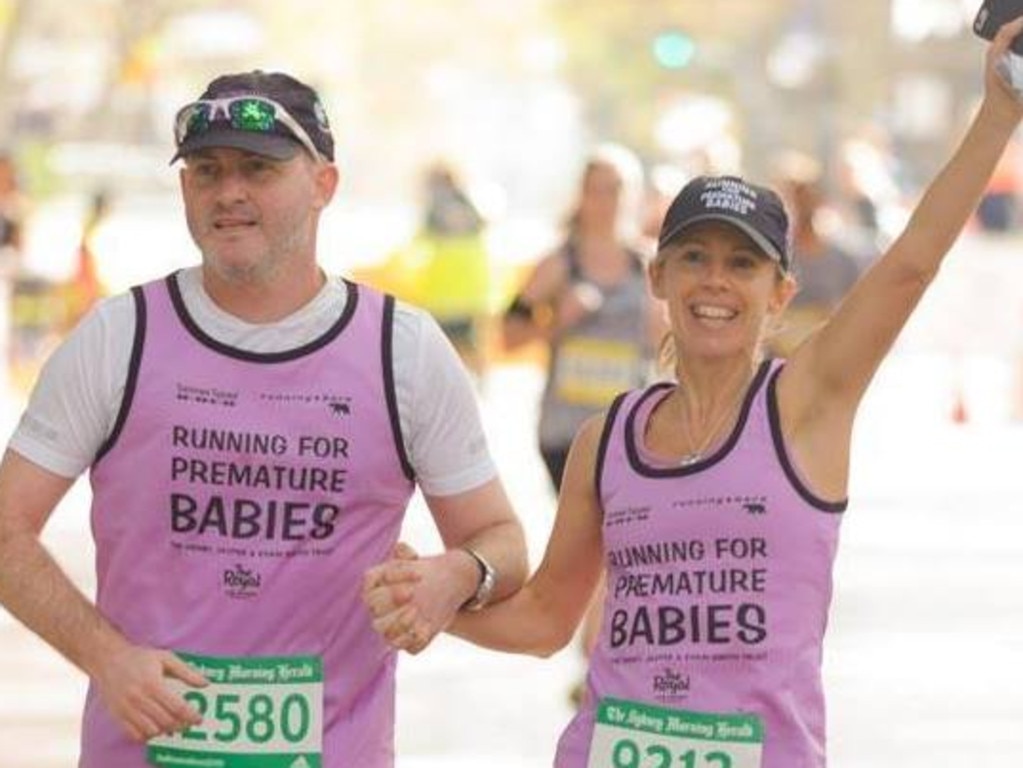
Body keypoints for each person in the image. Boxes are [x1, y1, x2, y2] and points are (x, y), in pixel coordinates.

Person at [364, 18, 1023, 768]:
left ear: (778, 293)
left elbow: (909, 264)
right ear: (659, 278)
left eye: (742, 265)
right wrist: (428, 607)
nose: (714, 281)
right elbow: (548, 618)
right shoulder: (605, 440)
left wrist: (997, 113)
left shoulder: (806, 406)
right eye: (694, 257)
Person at [0, 70, 527, 768]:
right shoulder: (118, 336)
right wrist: (108, 660)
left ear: (324, 184)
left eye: (259, 168)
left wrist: (456, 576)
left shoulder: (400, 347)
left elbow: (504, 543)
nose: (229, 193)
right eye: (206, 170)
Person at [501, 143, 666, 493]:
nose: (607, 201)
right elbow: (508, 336)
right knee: (582, 540)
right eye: (597, 190)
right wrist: (557, 320)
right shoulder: (559, 264)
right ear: (582, 196)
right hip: (567, 434)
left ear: (634, 195)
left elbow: (671, 347)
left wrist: (664, 329)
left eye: (616, 189)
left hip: (630, 433)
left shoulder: (650, 265)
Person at [768, 151, 868, 357]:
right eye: (797, 194)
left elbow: (854, 313)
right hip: (779, 357)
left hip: (823, 358)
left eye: (809, 193)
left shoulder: (842, 260)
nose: (804, 201)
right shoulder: (773, 257)